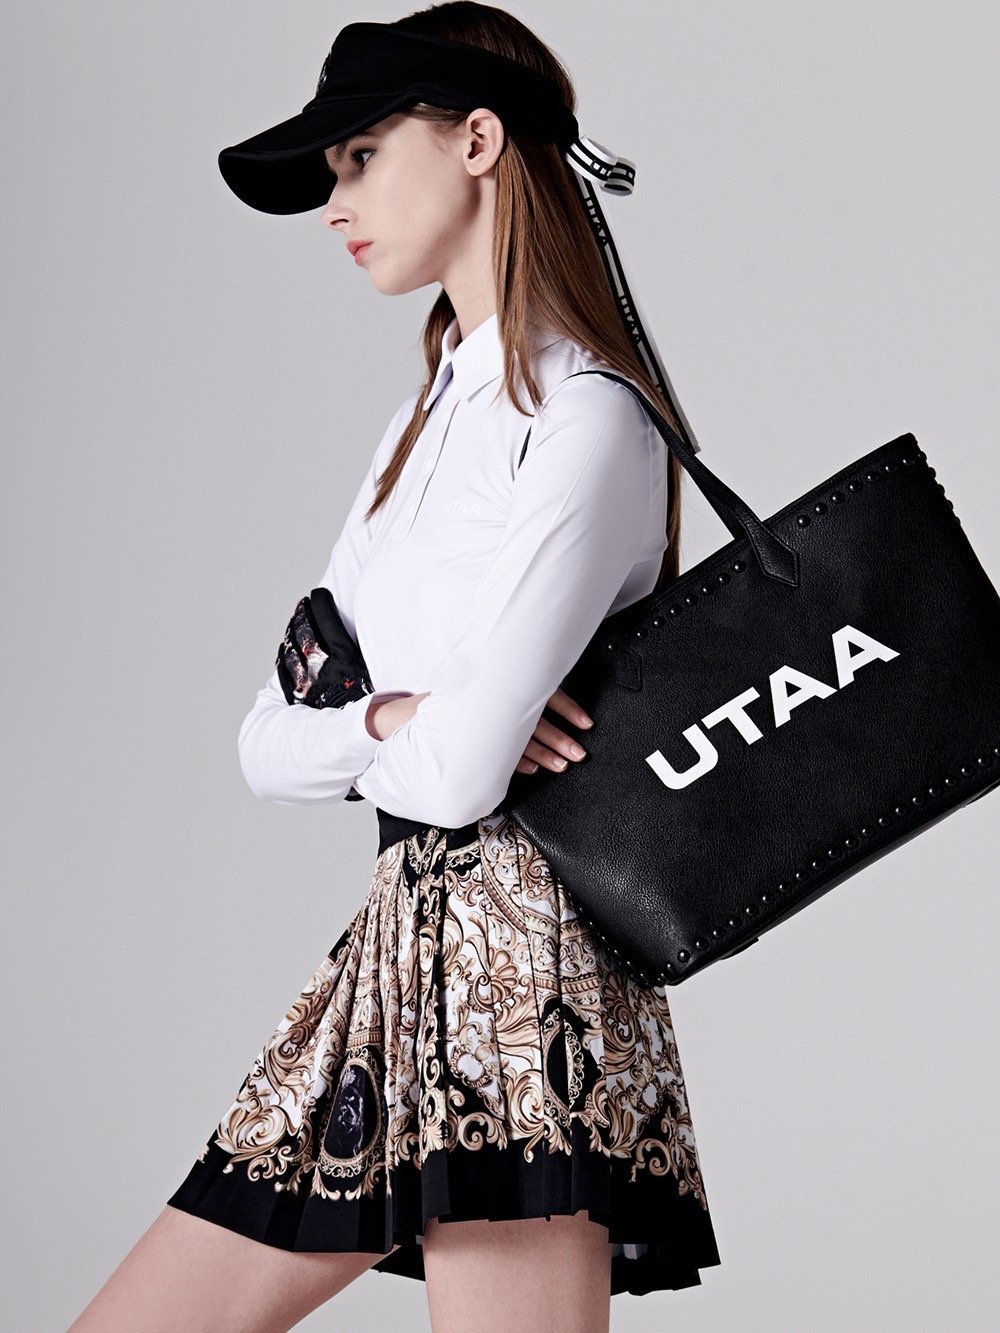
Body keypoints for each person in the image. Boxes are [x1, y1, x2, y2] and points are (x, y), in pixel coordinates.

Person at [69, 5, 722, 1330]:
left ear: (478, 141)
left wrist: (413, 732)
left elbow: (464, 775)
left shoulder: (587, 418)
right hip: (392, 951)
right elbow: (265, 741)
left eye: (362, 156)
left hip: (526, 986)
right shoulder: (421, 426)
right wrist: (395, 716)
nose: (335, 203)